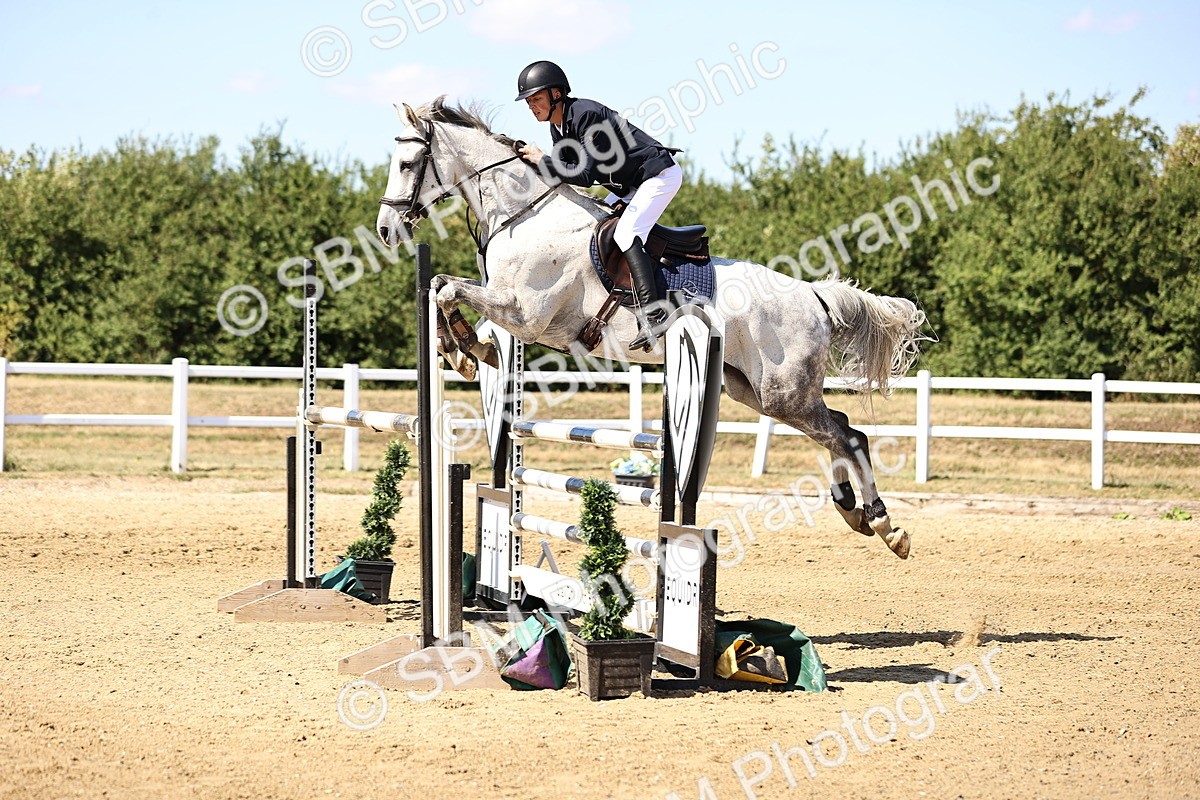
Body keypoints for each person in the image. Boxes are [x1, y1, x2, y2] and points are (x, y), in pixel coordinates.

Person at [514, 60, 682, 351]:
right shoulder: (559, 127)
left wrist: (542, 160)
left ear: (556, 94)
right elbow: (561, 174)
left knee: (627, 234)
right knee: (595, 228)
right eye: (528, 102)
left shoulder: (586, 115)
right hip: (628, 186)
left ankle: (654, 315)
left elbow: (584, 175)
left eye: (536, 98)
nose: (532, 106)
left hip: (658, 176)